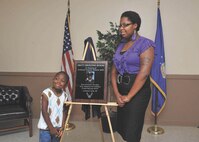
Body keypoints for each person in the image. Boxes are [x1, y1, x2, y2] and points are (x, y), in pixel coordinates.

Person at [111, 11, 155, 142]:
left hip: (138, 93)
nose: (121, 28)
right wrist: (117, 93)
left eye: (126, 25)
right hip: (121, 91)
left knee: (132, 131)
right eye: (120, 25)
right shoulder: (120, 45)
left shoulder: (145, 44)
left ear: (135, 25)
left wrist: (128, 97)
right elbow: (113, 71)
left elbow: (144, 73)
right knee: (123, 129)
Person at [38, 71, 71, 142]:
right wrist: (51, 128)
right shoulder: (46, 93)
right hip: (46, 128)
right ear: (53, 79)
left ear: (66, 85)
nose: (58, 82)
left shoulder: (65, 95)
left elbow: (64, 111)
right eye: (56, 79)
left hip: (58, 128)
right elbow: (44, 111)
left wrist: (62, 127)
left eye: (62, 81)